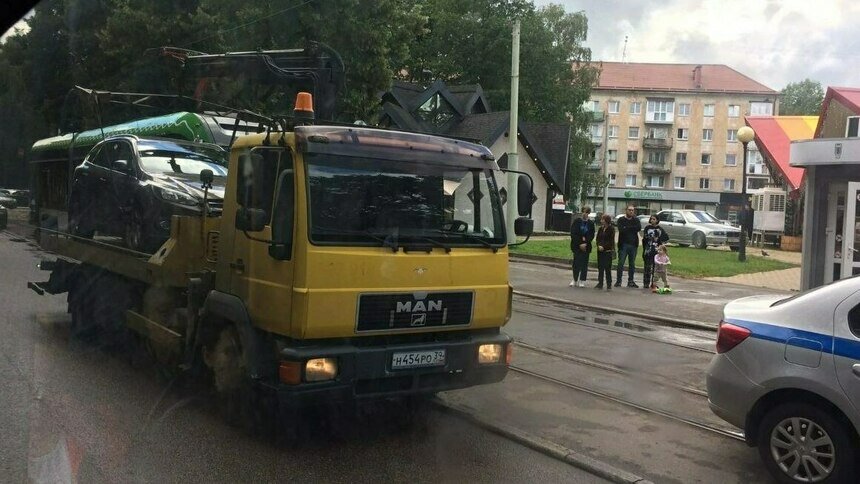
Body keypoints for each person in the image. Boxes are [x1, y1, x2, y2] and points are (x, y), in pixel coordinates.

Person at [615, 205, 642, 288]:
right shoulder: (621, 220)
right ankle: (618, 281)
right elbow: (621, 230)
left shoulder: (636, 220)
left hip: (633, 245)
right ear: (626, 210)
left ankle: (631, 281)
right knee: (621, 263)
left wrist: (627, 228)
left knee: (632, 264)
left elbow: (638, 228)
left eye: (632, 210)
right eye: (629, 210)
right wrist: (630, 228)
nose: (631, 211)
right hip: (623, 245)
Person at [569, 206, 595, 287]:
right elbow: (573, 233)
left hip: (586, 246)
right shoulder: (577, 221)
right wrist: (579, 243)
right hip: (577, 245)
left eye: (587, 212)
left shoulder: (590, 223)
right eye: (584, 212)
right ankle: (575, 279)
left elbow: (591, 235)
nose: (585, 214)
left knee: (584, 263)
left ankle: (582, 280)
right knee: (576, 263)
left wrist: (585, 243)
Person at [642, 215, 669, 289]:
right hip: (648, 250)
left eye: (654, 219)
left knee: (655, 269)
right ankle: (646, 283)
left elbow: (666, 238)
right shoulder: (647, 228)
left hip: (657, 252)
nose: (652, 220)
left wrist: (660, 242)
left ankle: (653, 283)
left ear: (657, 220)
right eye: (651, 219)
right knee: (647, 268)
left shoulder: (660, 229)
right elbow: (644, 238)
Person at [594, 214, 615, 290]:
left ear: (606, 220)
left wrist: (604, 247)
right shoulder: (600, 229)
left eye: (603, 219)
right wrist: (598, 245)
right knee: (600, 267)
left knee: (607, 268)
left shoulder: (611, 229)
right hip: (600, 251)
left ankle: (609, 284)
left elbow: (611, 240)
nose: (601, 221)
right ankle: (600, 283)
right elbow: (597, 239)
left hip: (607, 251)